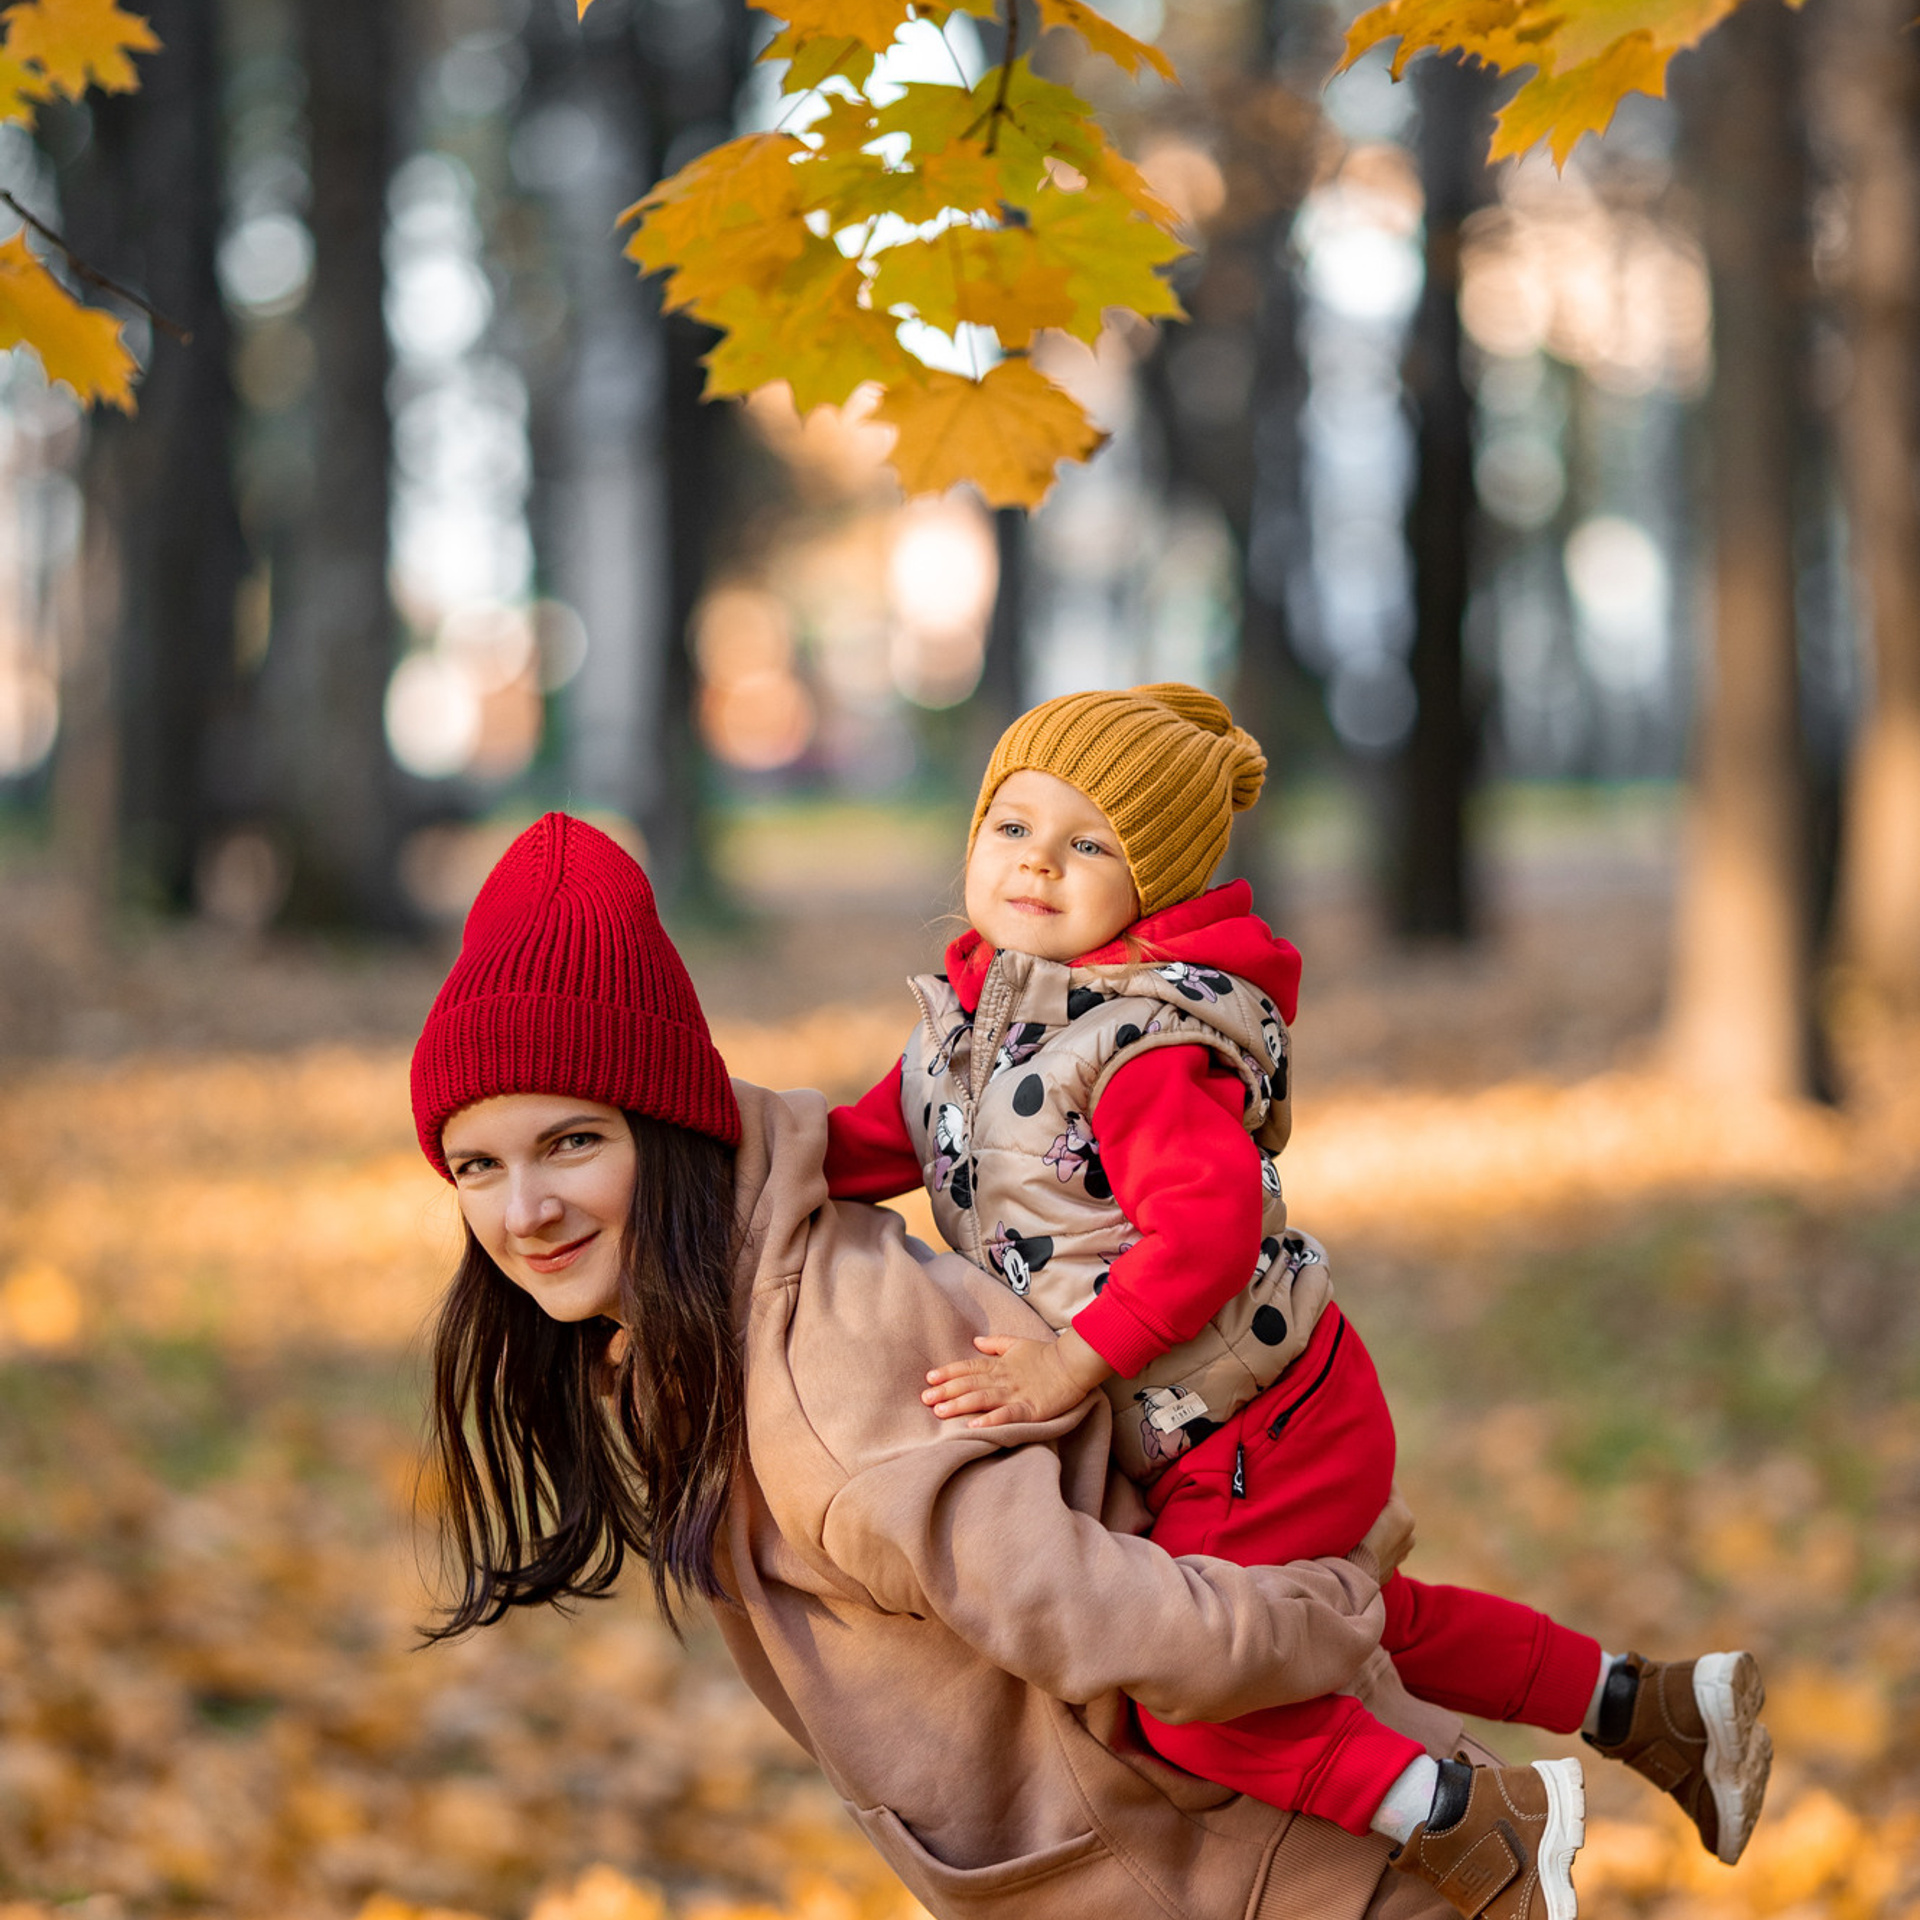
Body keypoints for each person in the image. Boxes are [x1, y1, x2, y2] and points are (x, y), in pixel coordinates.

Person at [411, 810, 1508, 1920]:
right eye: (476, 1164)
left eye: (574, 1142)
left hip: (1315, 1886)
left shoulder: (815, 1373)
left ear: (671, 1128)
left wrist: (1331, 1607)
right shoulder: (711, 1313)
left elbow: (1094, 1610)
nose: (525, 1210)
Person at [822, 685, 1773, 1920]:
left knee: (1197, 1690)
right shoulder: (972, 1026)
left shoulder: (1140, 1048)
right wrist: (705, 1151)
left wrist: (1069, 1367)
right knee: (1363, 1620)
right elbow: (862, 1144)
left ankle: (1469, 1816)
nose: (1038, 864)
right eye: (1012, 826)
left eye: (1089, 845)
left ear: (1149, 887)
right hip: (1237, 1418)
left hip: (1254, 1426)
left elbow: (1206, 1235)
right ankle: (1651, 1706)